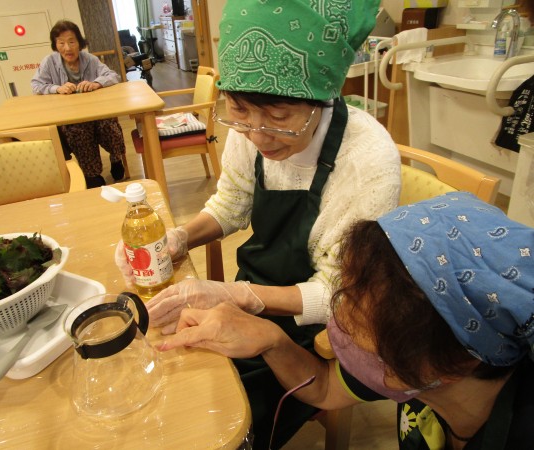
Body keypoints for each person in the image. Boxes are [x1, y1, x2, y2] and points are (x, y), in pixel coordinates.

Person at [116, 0, 400, 448]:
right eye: (240, 111)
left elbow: (338, 294)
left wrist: (239, 296)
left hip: (313, 333)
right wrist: (178, 239)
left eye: (280, 118)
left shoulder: (366, 159)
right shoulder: (251, 129)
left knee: (217, 427)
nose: (258, 135)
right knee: (161, 381)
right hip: (247, 299)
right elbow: (231, 204)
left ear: (322, 98)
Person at [159, 192, 534, 450]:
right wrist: (271, 339)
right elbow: (325, 388)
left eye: (357, 328)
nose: (337, 322)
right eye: (345, 293)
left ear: (451, 363)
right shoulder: (418, 370)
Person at [31, 20, 126, 189]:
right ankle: (92, 174)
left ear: (79, 43)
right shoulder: (49, 62)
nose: (67, 48)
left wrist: (96, 83)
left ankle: (115, 157)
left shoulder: (90, 59)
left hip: (97, 113)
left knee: (109, 126)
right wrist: (57, 88)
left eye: (72, 42)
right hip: (71, 118)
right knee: (78, 133)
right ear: (55, 44)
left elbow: (113, 76)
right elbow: (36, 85)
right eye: (61, 43)